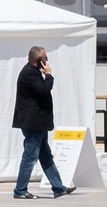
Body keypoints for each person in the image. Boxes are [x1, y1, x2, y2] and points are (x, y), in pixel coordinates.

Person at [12, 44, 70, 199]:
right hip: (33, 122)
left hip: (39, 122)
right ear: (37, 60)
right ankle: (20, 190)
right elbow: (44, 90)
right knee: (30, 156)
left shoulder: (34, 72)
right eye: (45, 58)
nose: (47, 60)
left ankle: (58, 187)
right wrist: (49, 75)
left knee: (45, 155)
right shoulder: (29, 73)